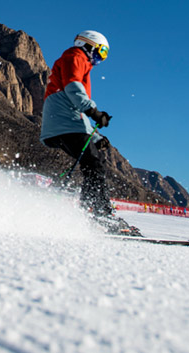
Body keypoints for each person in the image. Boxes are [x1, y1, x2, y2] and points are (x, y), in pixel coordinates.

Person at [41, 30, 133, 234]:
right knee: (93, 162)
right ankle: (98, 212)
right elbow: (74, 91)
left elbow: (76, 111)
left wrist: (97, 136)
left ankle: (93, 209)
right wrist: (94, 111)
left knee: (94, 162)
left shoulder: (80, 62)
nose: (99, 60)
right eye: (100, 53)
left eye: (104, 57)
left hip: (67, 121)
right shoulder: (75, 56)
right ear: (88, 45)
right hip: (64, 122)